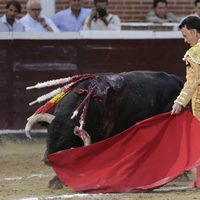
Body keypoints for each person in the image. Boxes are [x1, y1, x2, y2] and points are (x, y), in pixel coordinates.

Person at [171, 16, 200, 187]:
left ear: (195, 32)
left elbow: (192, 82)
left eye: (186, 35)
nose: (185, 40)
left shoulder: (194, 53)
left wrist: (180, 102)